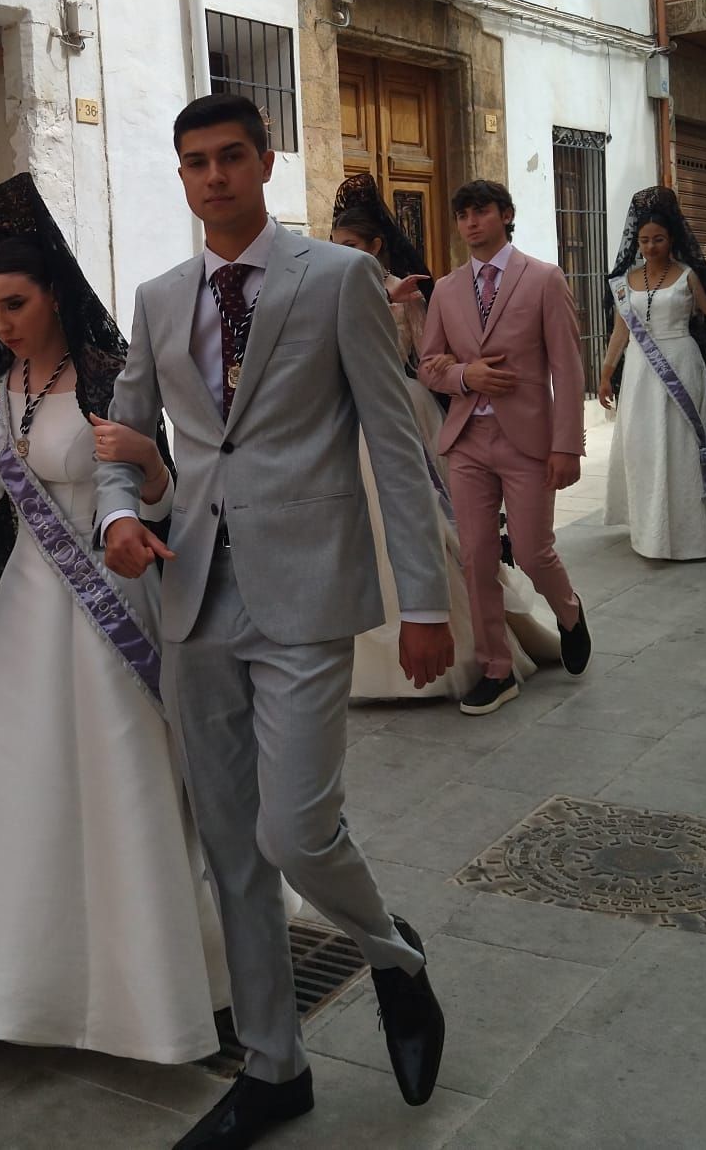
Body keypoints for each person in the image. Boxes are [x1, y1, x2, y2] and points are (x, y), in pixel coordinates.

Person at [98, 94, 449, 1148]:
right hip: (193, 594)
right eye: (194, 162)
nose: (212, 176)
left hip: (303, 595)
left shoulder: (337, 280)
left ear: (261, 163)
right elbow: (124, 428)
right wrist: (119, 518)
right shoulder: (161, 300)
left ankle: (393, 957)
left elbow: (393, 443)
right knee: (230, 847)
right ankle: (272, 1066)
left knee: (293, 829)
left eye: (230, 157)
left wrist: (424, 603)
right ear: (181, 175)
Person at [0, 176, 224, 1062]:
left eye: (14, 304)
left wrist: (137, 492)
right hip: (25, 608)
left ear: (53, 291)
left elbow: (140, 489)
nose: (3, 323)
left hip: (106, 606)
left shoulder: (108, 375)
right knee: (16, 785)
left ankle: (151, 988)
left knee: (118, 784)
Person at [328, 176, 559, 700]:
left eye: (352, 247)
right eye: (336, 247)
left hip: (399, 414)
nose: (342, 255)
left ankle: (465, 638)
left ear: (375, 246)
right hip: (347, 424)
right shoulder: (331, 288)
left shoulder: (405, 291)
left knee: (426, 525)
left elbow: (429, 360)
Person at [418, 178, 593, 716]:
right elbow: (429, 366)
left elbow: (567, 365)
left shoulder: (542, 278)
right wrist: (467, 376)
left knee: (533, 548)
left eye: (481, 211)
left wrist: (568, 446)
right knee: (476, 555)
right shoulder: (446, 290)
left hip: (528, 440)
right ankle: (496, 668)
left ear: (505, 215)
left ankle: (568, 609)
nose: (471, 222)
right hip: (468, 439)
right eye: (463, 214)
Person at [595, 188, 706, 561]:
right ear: (635, 242)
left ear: (671, 239)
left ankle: (688, 535)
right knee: (643, 445)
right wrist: (607, 373)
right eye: (644, 240)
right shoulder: (625, 281)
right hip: (640, 370)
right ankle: (648, 529)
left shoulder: (688, 275)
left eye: (658, 239)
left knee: (679, 445)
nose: (651, 246)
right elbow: (620, 333)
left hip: (682, 363)